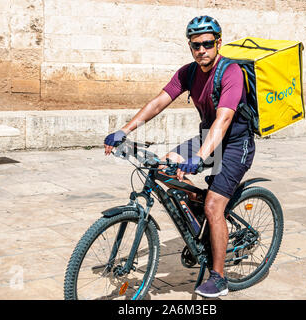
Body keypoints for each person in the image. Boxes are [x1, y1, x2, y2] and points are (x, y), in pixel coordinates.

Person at [104, 15, 255, 298]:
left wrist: (199, 156)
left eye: (208, 44)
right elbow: (159, 102)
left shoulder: (231, 72)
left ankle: (219, 277)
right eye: (196, 45)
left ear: (218, 43)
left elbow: (223, 119)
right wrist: (124, 130)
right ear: (190, 46)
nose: (202, 50)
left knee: (214, 207)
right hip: (207, 136)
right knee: (166, 166)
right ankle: (200, 216)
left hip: (235, 143)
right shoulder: (188, 72)